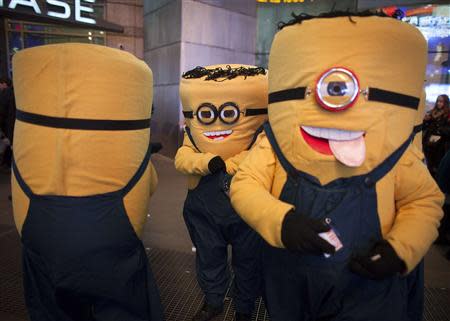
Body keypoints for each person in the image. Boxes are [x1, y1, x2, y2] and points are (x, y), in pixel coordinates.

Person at [230, 13, 444, 321]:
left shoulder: (395, 153)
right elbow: (245, 183)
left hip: (367, 294)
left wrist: (399, 251)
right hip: (289, 287)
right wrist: (281, 222)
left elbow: (424, 200)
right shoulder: (274, 143)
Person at [12, 43, 163, 321]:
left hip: (37, 226)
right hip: (112, 230)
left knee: (51, 308)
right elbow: (150, 184)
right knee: (122, 304)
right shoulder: (130, 77)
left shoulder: (31, 73)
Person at [175, 64, 268, 321]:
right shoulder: (192, 133)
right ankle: (213, 300)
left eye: (228, 113)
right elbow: (182, 157)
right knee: (208, 257)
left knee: (248, 260)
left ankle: (244, 307)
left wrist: (226, 165)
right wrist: (207, 162)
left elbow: (260, 153)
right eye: (207, 114)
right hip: (203, 206)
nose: (217, 121)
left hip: (247, 203)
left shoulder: (263, 134)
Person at [423, 94, 450, 177]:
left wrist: (439, 129)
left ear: (445, 103)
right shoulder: (431, 113)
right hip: (429, 144)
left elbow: (448, 130)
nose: (439, 103)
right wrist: (426, 121)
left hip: (441, 145)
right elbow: (424, 128)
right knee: (429, 166)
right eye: (438, 101)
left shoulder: (448, 115)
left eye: (441, 102)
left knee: (438, 167)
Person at [0, 76, 14, 169]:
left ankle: (8, 164)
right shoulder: (15, 92)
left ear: (4, 84)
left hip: (8, 127)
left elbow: (2, 112)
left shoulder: (6, 93)